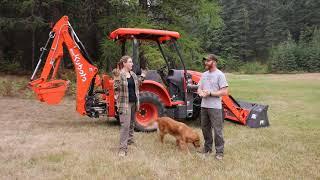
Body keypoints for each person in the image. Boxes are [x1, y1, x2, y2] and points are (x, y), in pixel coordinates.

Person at [197, 54, 229, 160]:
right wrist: (200, 93)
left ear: (214, 62)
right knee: (205, 128)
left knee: (217, 130)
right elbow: (199, 88)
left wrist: (210, 93)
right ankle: (207, 148)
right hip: (204, 106)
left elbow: (224, 91)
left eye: (208, 61)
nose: (205, 63)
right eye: (205, 61)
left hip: (215, 107)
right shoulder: (204, 74)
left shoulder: (220, 75)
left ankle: (219, 152)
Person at [113, 55, 146, 157]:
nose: (132, 64)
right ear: (124, 63)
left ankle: (130, 141)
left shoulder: (132, 74)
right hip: (124, 103)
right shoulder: (120, 74)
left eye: (132, 62)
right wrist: (117, 77)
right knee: (125, 126)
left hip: (134, 103)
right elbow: (115, 87)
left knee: (131, 123)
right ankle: (122, 149)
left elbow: (138, 82)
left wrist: (143, 75)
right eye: (130, 62)